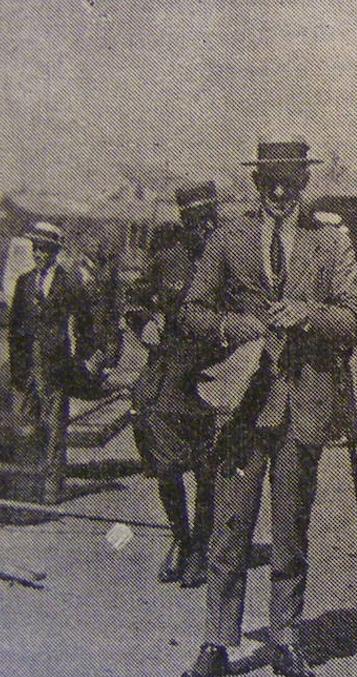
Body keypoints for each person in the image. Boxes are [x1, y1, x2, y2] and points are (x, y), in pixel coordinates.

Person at [178, 136, 357, 677]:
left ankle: (285, 637)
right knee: (231, 525)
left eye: (291, 180)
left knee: (290, 527)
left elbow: (356, 317)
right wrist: (234, 328)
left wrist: (308, 314)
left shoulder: (331, 241)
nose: (281, 191)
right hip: (242, 401)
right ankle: (217, 639)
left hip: (304, 403)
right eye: (270, 181)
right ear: (256, 183)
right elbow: (192, 309)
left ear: (304, 182)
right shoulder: (228, 236)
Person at [129, 182, 223, 587]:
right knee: (165, 466)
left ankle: (201, 548)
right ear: (183, 222)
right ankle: (181, 538)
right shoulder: (168, 260)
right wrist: (143, 322)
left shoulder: (229, 259)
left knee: (207, 469)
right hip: (169, 375)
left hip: (214, 375)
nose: (201, 228)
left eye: (207, 219)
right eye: (192, 221)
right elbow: (134, 299)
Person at [7, 222, 105, 502]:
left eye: (45, 250)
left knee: (54, 425)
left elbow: (85, 322)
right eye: (36, 249)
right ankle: (29, 479)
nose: (39, 255)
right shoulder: (24, 282)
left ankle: (53, 485)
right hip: (27, 363)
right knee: (25, 423)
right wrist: (16, 366)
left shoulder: (67, 282)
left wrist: (85, 357)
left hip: (55, 364)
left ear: (55, 253)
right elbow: (15, 328)